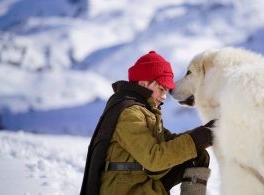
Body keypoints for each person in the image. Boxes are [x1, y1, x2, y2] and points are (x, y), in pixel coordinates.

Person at [80, 51, 214, 195]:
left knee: (198, 156)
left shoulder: (145, 111)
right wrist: (198, 138)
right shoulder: (129, 114)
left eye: (166, 90)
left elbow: (169, 141)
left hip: (141, 181)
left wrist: (204, 133)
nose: (164, 96)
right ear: (143, 83)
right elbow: (154, 159)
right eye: (161, 89)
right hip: (127, 189)